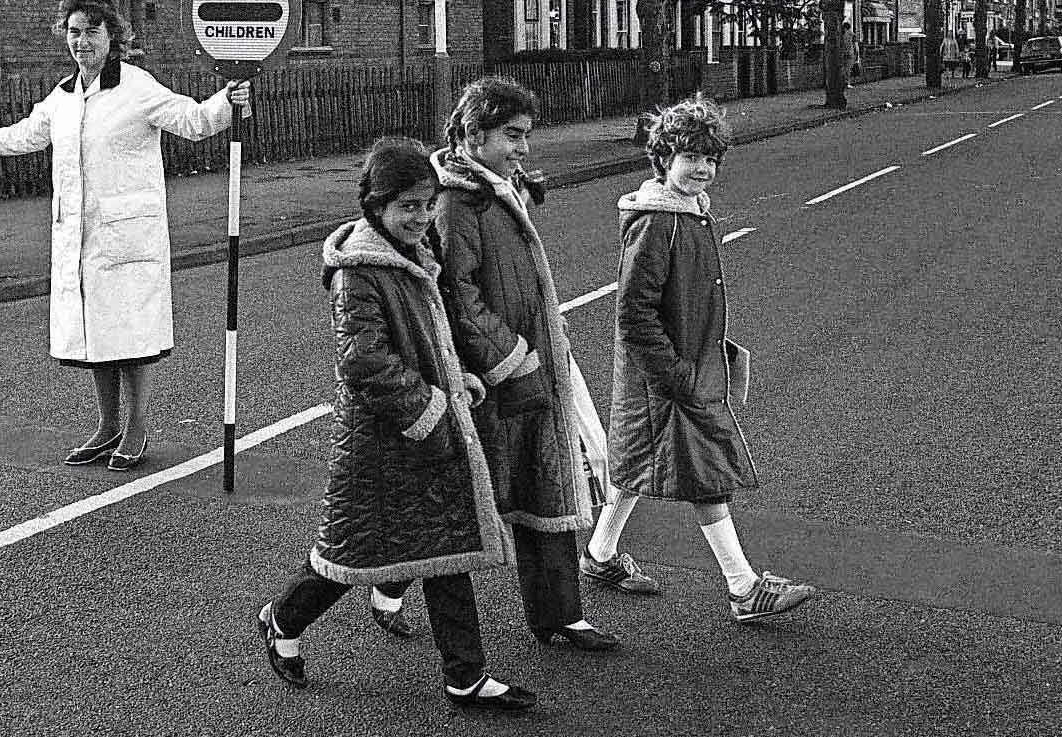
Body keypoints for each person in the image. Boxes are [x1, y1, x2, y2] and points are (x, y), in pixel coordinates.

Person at [255, 138, 538, 712]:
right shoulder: (359, 271)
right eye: (408, 206)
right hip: (382, 441)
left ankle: (466, 675)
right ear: (375, 205)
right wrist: (433, 408)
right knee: (350, 553)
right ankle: (281, 617)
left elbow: (428, 338)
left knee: (446, 550)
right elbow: (364, 362)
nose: (422, 216)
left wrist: (459, 378)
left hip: (424, 430)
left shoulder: (414, 253)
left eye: (428, 203)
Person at [0, 0, 248, 472]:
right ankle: (107, 425)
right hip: (81, 237)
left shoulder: (136, 87)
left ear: (113, 37)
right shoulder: (64, 95)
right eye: (74, 31)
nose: (82, 41)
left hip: (127, 235)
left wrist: (227, 100)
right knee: (96, 335)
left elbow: (192, 121)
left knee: (131, 335)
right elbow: (30, 132)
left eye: (92, 31)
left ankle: (136, 428)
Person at [583, 96, 818, 624]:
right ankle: (744, 588)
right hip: (669, 378)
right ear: (663, 158)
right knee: (707, 474)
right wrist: (679, 376)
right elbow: (634, 314)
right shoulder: (657, 223)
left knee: (635, 462)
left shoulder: (691, 213)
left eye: (710, 159)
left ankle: (599, 556)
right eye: (690, 156)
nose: (702, 169)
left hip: (682, 371)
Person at [433, 76, 620, 651]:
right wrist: (512, 359)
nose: (523, 148)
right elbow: (458, 296)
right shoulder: (456, 203)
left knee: (547, 481)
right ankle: (366, 590)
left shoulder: (497, 189)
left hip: (534, 363)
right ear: (474, 133)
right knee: (463, 502)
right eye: (512, 136)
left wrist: (542, 343)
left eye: (526, 136)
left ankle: (560, 614)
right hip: (497, 376)